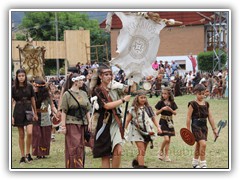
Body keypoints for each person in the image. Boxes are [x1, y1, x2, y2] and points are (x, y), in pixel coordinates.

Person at [91, 64, 135, 168]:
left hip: (116, 122)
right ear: (100, 76)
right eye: (106, 74)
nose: (109, 76)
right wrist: (123, 100)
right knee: (105, 155)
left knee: (118, 151)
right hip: (104, 123)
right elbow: (106, 106)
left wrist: (133, 76)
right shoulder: (97, 90)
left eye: (110, 74)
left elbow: (131, 89)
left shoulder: (115, 86)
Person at [60, 73, 91, 168]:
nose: (83, 82)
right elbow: (64, 111)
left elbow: (87, 110)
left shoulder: (84, 93)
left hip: (82, 123)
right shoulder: (67, 94)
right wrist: (63, 126)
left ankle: (80, 167)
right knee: (73, 147)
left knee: (81, 147)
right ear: (75, 82)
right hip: (71, 123)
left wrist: (89, 122)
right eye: (81, 80)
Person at [125, 91, 162, 168]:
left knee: (143, 152)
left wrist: (158, 127)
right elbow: (128, 120)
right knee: (141, 150)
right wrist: (123, 130)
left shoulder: (148, 108)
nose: (143, 99)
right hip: (136, 131)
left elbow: (154, 119)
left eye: (144, 97)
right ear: (137, 98)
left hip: (147, 131)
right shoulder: (133, 109)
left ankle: (136, 162)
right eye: (141, 97)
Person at [186, 84, 218, 168]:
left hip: (204, 126)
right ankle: (203, 164)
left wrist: (214, 129)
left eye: (203, 93)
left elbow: (210, 117)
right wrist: (188, 130)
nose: (201, 96)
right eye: (199, 94)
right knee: (203, 144)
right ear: (195, 93)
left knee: (199, 144)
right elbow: (188, 118)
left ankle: (195, 163)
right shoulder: (192, 104)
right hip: (196, 126)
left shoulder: (206, 104)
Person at [11, 68, 38, 164]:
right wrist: (11, 116)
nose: (21, 78)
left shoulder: (30, 86)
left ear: (25, 76)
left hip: (28, 109)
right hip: (18, 111)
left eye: (23, 76)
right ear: (17, 77)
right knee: (21, 134)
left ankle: (28, 154)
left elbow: (33, 100)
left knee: (30, 132)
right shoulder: (13, 88)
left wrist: (35, 112)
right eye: (19, 76)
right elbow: (11, 101)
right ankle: (22, 156)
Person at [32, 79, 58, 159]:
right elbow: (30, 106)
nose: (34, 88)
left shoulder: (47, 95)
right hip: (35, 116)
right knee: (37, 135)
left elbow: (52, 105)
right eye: (34, 86)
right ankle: (38, 153)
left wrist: (57, 113)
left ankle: (43, 153)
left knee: (45, 135)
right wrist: (34, 114)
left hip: (45, 115)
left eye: (35, 86)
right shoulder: (32, 95)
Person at [155, 87, 178, 162]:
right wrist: (162, 109)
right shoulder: (160, 103)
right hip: (163, 121)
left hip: (170, 122)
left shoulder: (172, 103)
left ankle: (167, 155)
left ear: (169, 95)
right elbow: (156, 113)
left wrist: (170, 109)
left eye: (165, 94)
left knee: (169, 140)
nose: (163, 95)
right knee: (166, 139)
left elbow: (175, 113)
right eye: (162, 93)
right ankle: (160, 151)